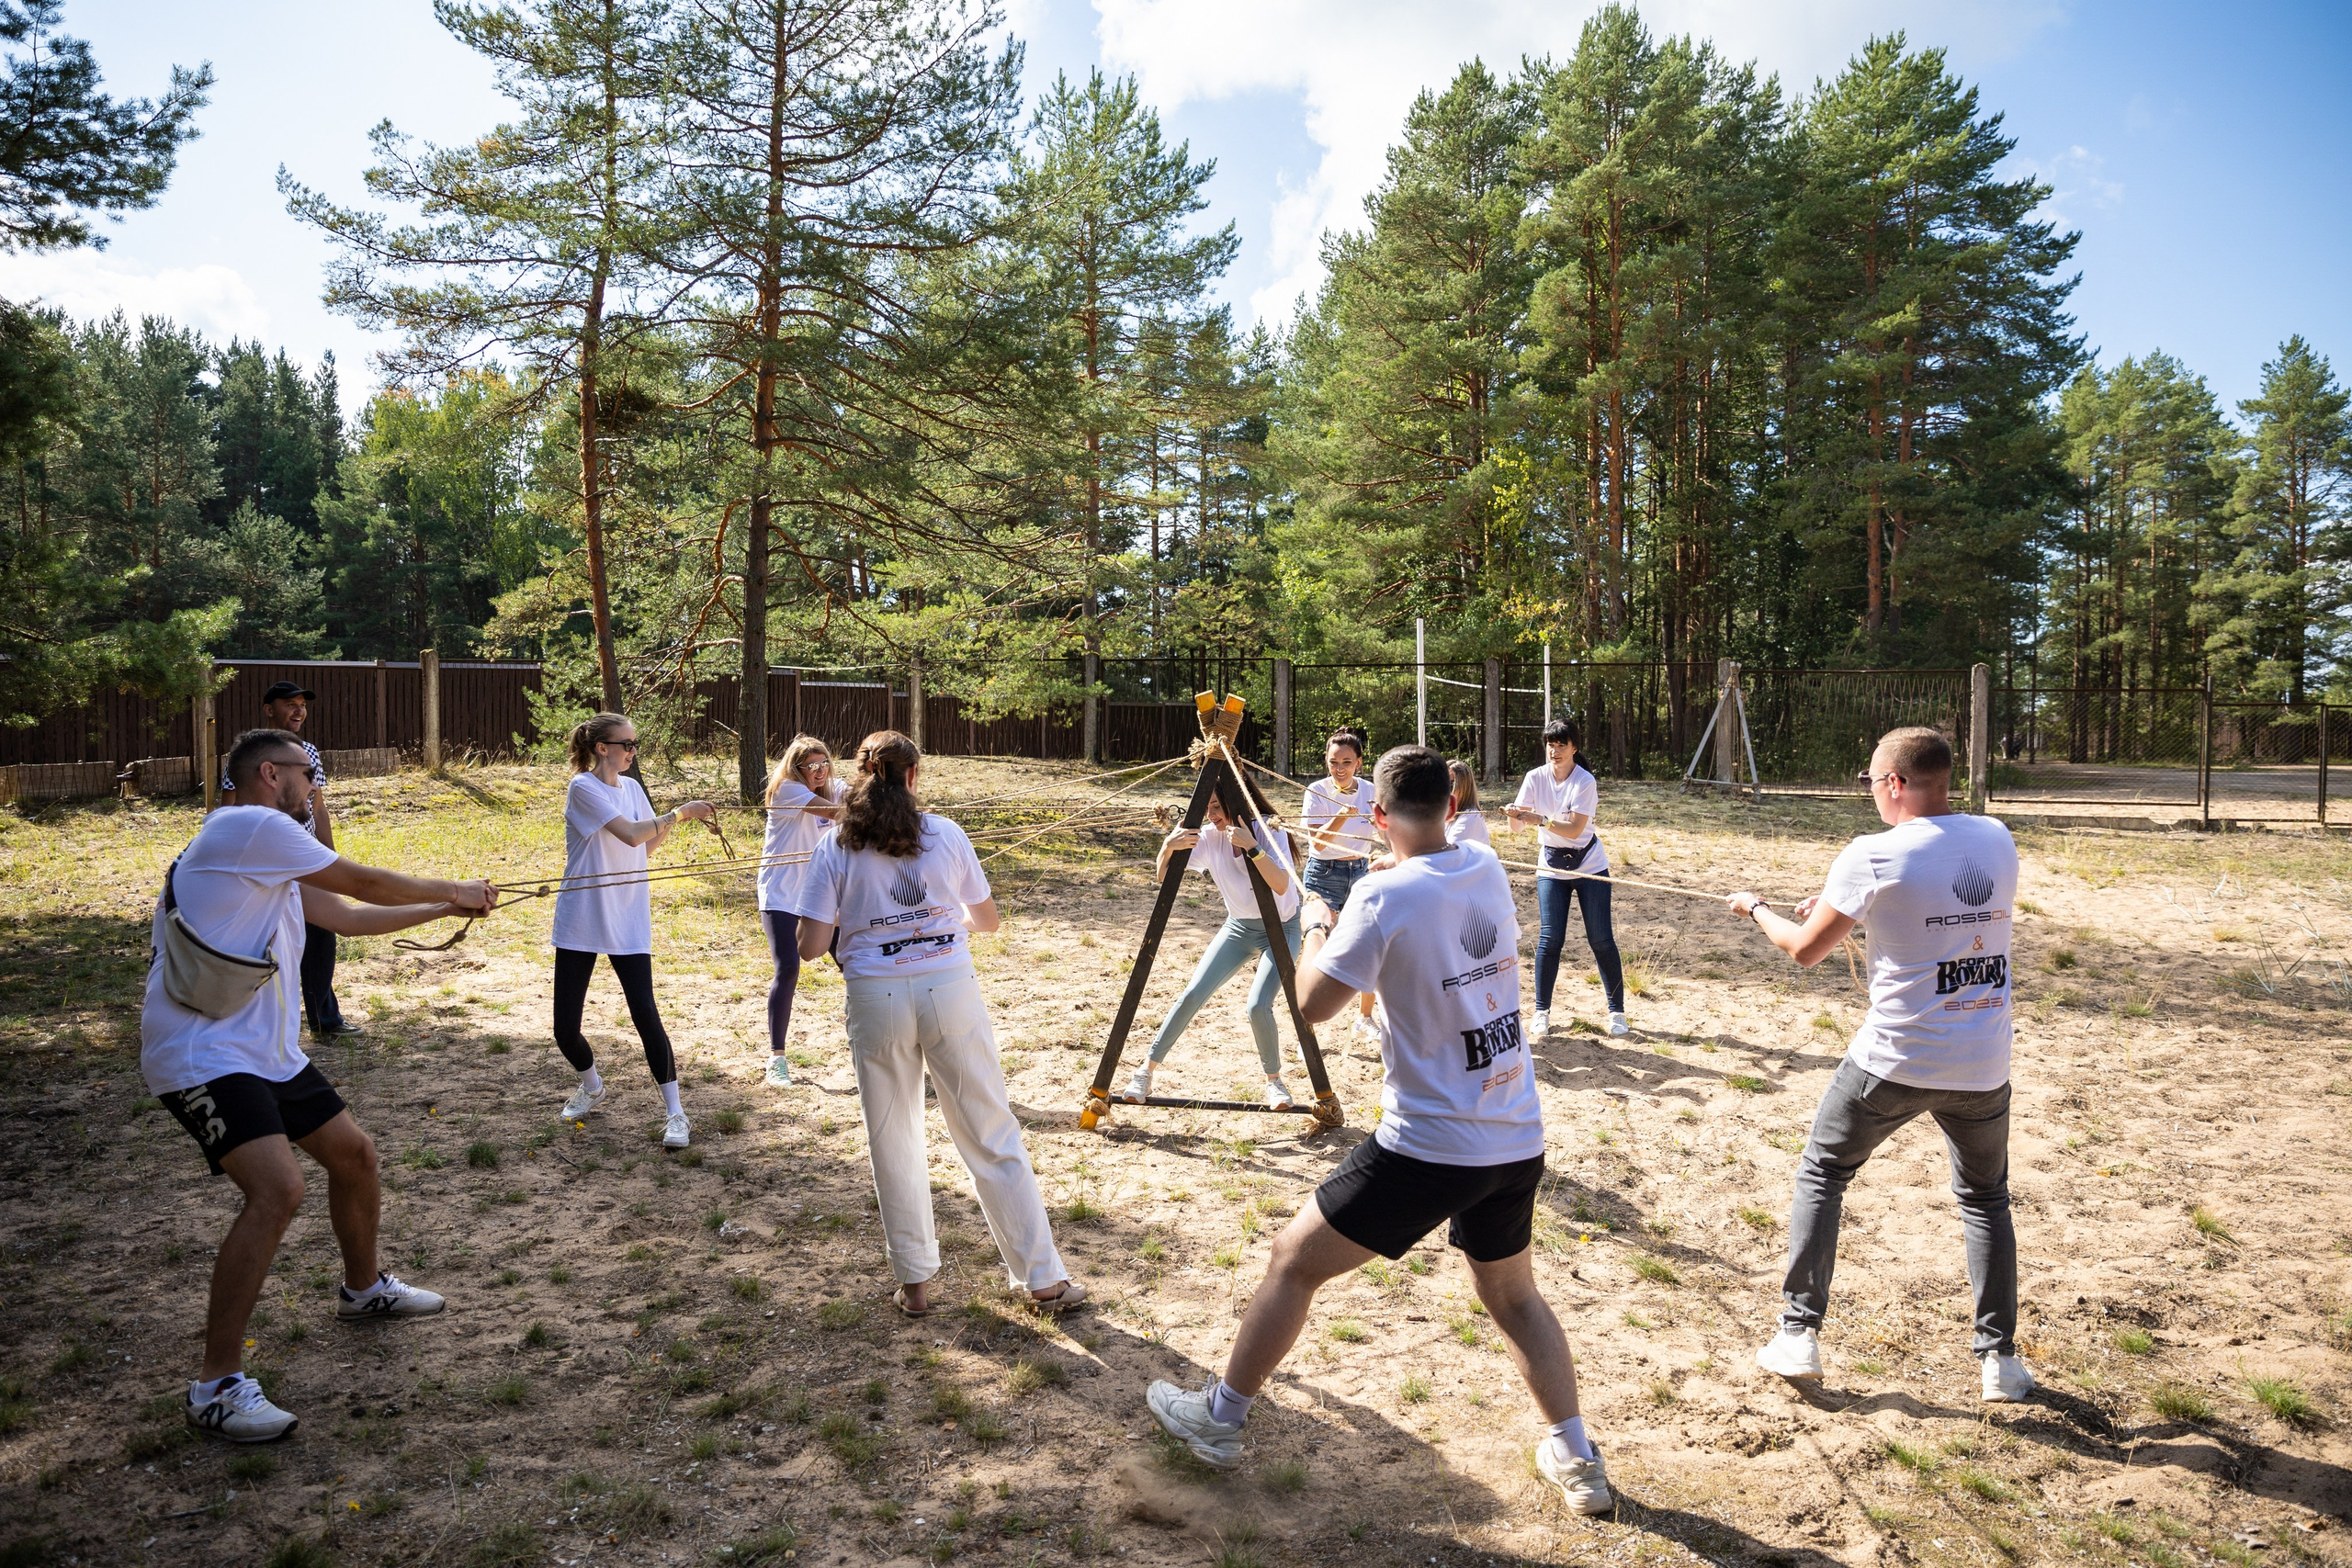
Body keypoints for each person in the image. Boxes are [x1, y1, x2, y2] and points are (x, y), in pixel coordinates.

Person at [1144, 744, 1611, 1514]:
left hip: (1430, 1145)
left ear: (1377, 814)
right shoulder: (1483, 865)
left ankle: (1219, 1419)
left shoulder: (1379, 895)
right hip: (1515, 1134)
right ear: (1453, 806)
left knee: (1292, 1259)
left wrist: (1315, 926)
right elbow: (1428, 888)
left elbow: (1313, 1005)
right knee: (1514, 1296)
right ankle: (1577, 1455)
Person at [146, 728, 496, 1442]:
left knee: (354, 1155)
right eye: (308, 773)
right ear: (269, 775)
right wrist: (451, 886)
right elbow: (361, 881)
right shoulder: (249, 826)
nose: (316, 786)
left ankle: (363, 1290)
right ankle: (215, 1384)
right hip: (201, 1051)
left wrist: (447, 909)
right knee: (278, 1189)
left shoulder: (266, 848)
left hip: (262, 1050)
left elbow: (348, 916)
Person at [1725, 727, 2032, 1404]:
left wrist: (1756, 908)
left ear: (1895, 782)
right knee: (1986, 1198)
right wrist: (1848, 909)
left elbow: (1804, 950)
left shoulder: (1872, 853)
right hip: (1982, 1062)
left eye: (1870, 781)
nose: (1869, 793)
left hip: (1897, 1059)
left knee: (1823, 1170)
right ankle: (2000, 1360)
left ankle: (1798, 1333)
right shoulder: (1996, 838)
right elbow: (1938, 912)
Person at [788, 730, 1082, 1316]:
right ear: (913, 776)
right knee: (990, 1131)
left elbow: (810, 946)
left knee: (893, 1137)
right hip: (949, 989)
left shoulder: (836, 844)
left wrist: (861, 918)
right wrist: (938, 924)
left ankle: (916, 1285)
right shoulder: (945, 833)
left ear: (861, 776)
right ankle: (1044, 1281)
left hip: (876, 996)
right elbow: (987, 920)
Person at [549, 714, 716, 1148]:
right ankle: (592, 1086)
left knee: (645, 1013)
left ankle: (676, 1113)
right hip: (583, 915)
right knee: (565, 1028)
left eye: (635, 744)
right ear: (602, 747)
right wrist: (679, 812)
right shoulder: (583, 787)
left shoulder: (634, 789)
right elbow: (627, 834)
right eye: (627, 744)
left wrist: (673, 821)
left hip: (627, 915)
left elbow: (645, 845)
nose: (633, 751)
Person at [1121, 771, 1306, 1111]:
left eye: (1217, 806)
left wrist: (1252, 847)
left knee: (1257, 1006)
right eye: (1206, 807)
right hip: (1239, 929)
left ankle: (1274, 1082)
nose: (1211, 814)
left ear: (1235, 801)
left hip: (1282, 929)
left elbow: (1281, 885)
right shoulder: (1209, 835)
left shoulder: (1269, 828)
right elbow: (1164, 877)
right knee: (1193, 994)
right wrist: (1168, 846)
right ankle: (1144, 1072)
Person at [219, 680, 356, 1041]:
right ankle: (252, 1023)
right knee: (266, 938)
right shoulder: (247, 755)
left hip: (303, 856)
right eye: (290, 704)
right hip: (264, 860)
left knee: (321, 936)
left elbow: (318, 807)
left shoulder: (308, 751)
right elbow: (228, 807)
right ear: (269, 710)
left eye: (303, 705)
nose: (299, 711)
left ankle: (325, 1020)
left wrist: (329, 856)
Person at [1503, 717, 1627, 1040]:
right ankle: (1541, 1012)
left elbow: (1573, 830)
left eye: (1561, 745)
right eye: (1550, 744)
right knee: (1550, 939)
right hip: (1551, 866)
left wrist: (1541, 819)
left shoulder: (1585, 781)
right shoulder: (1534, 777)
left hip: (1590, 865)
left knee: (1601, 939)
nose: (1554, 751)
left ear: (1574, 748)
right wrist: (1516, 815)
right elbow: (1516, 829)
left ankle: (1617, 1012)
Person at [756, 735, 846, 1087]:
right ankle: (776, 1059)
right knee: (789, 967)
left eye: (824, 763)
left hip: (819, 893)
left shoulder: (833, 787)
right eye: (812, 766)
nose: (820, 771)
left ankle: (876, 1043)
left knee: (853, 962)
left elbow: (856, 795)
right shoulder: (787, 790)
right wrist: (873, 811)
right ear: (797, 768)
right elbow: (834, 812)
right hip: (781, 892)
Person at [1298, 728, 1382, 1040]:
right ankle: (1306, 1027)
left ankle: (1364, 1018)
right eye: (1333, 762)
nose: (1339, 769)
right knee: (1317, 945)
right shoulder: (1316, 791)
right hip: (1324, 872)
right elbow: (1317, 843)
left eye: (1347, 762)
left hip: (1361, 870)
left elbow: (1387, 832)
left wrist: (1380, 826)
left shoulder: (1371, 790)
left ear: (1359, 762)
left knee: (1369, 945)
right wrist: (1341, 817)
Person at [1446, 760, 1490, 848]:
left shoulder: (1471, 817)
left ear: (1464, 788)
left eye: (1450, 785)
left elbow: (1449, 853)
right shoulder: (1444, 816)